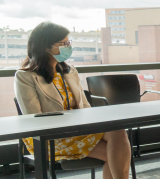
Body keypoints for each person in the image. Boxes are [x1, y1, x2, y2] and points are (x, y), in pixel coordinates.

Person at [14, 22, 132, 179]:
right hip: (50, 137)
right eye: (63, 43)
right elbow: (34, 117)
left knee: (117, 133)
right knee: (117, 156)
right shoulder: (25, 76)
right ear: (45, 47)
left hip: (79, 131)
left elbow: (85, 106)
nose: (68, 46)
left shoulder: (70, 71)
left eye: (69, 42)